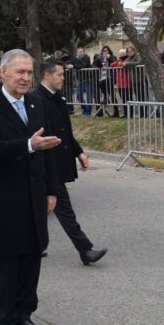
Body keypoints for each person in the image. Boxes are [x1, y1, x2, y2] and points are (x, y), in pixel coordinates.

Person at [0, 49, 62, 325]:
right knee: (7, 261)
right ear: (3, 72)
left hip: (34, 194)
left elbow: (47, 152)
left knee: (32, 257)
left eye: (28, 73)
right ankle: (6, 319)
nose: (25, 78)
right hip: (3, 197)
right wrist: (28, 145)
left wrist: (51, 190)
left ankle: (25, 314)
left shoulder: (36, 104)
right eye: (19, 72)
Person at [31, 59, 109, 262]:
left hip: (59, 161)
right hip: (46, 164)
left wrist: (79, 152)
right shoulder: (35, 99)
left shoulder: (59, 97)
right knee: (63, 207)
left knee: (40, 207)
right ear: (47, 75)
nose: (63, 78)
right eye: (60, 74)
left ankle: (34, 246)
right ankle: (85, 250)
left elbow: (65, 131)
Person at [93, 46, 119, 117]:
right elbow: (94, 63)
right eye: (104, 50)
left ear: (109, 51)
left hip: (110, 78)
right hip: (102, 78)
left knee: (112, 94)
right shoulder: (100, 58)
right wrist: (96, 67)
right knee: (102, 89)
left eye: (106, 50)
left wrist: (109, 57)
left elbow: (115, 62)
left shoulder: (112, 56)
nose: (105, 52)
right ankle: (105, 99)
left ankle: (116, 111)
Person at [71, 47, 93, 116]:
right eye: (78, 52)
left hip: (88, 79)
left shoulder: (87, 57)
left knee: (89, 96)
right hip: (80, 80)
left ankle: (88, 111)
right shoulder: (76, 58)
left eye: (81, 52)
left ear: (84, 52)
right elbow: (70, 63)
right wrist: (69, 65)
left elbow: (83, 65)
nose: (79, 53)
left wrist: (73, 66)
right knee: (78, 96)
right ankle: (84, 109)